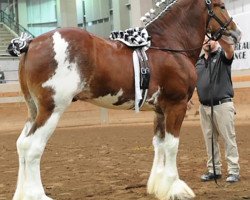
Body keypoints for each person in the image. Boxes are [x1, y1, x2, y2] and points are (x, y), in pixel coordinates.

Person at [195, 36, 240, 183]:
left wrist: (220, 36)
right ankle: (214, 170)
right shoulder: (199, 62)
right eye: (205, 39)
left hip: (223, 105)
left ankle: (233, 171)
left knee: (229, 139)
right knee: (210, 140)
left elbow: (229, 49)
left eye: (210, 39)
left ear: (216, 41)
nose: (207, 41)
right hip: (204, 107)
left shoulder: (222, 56)